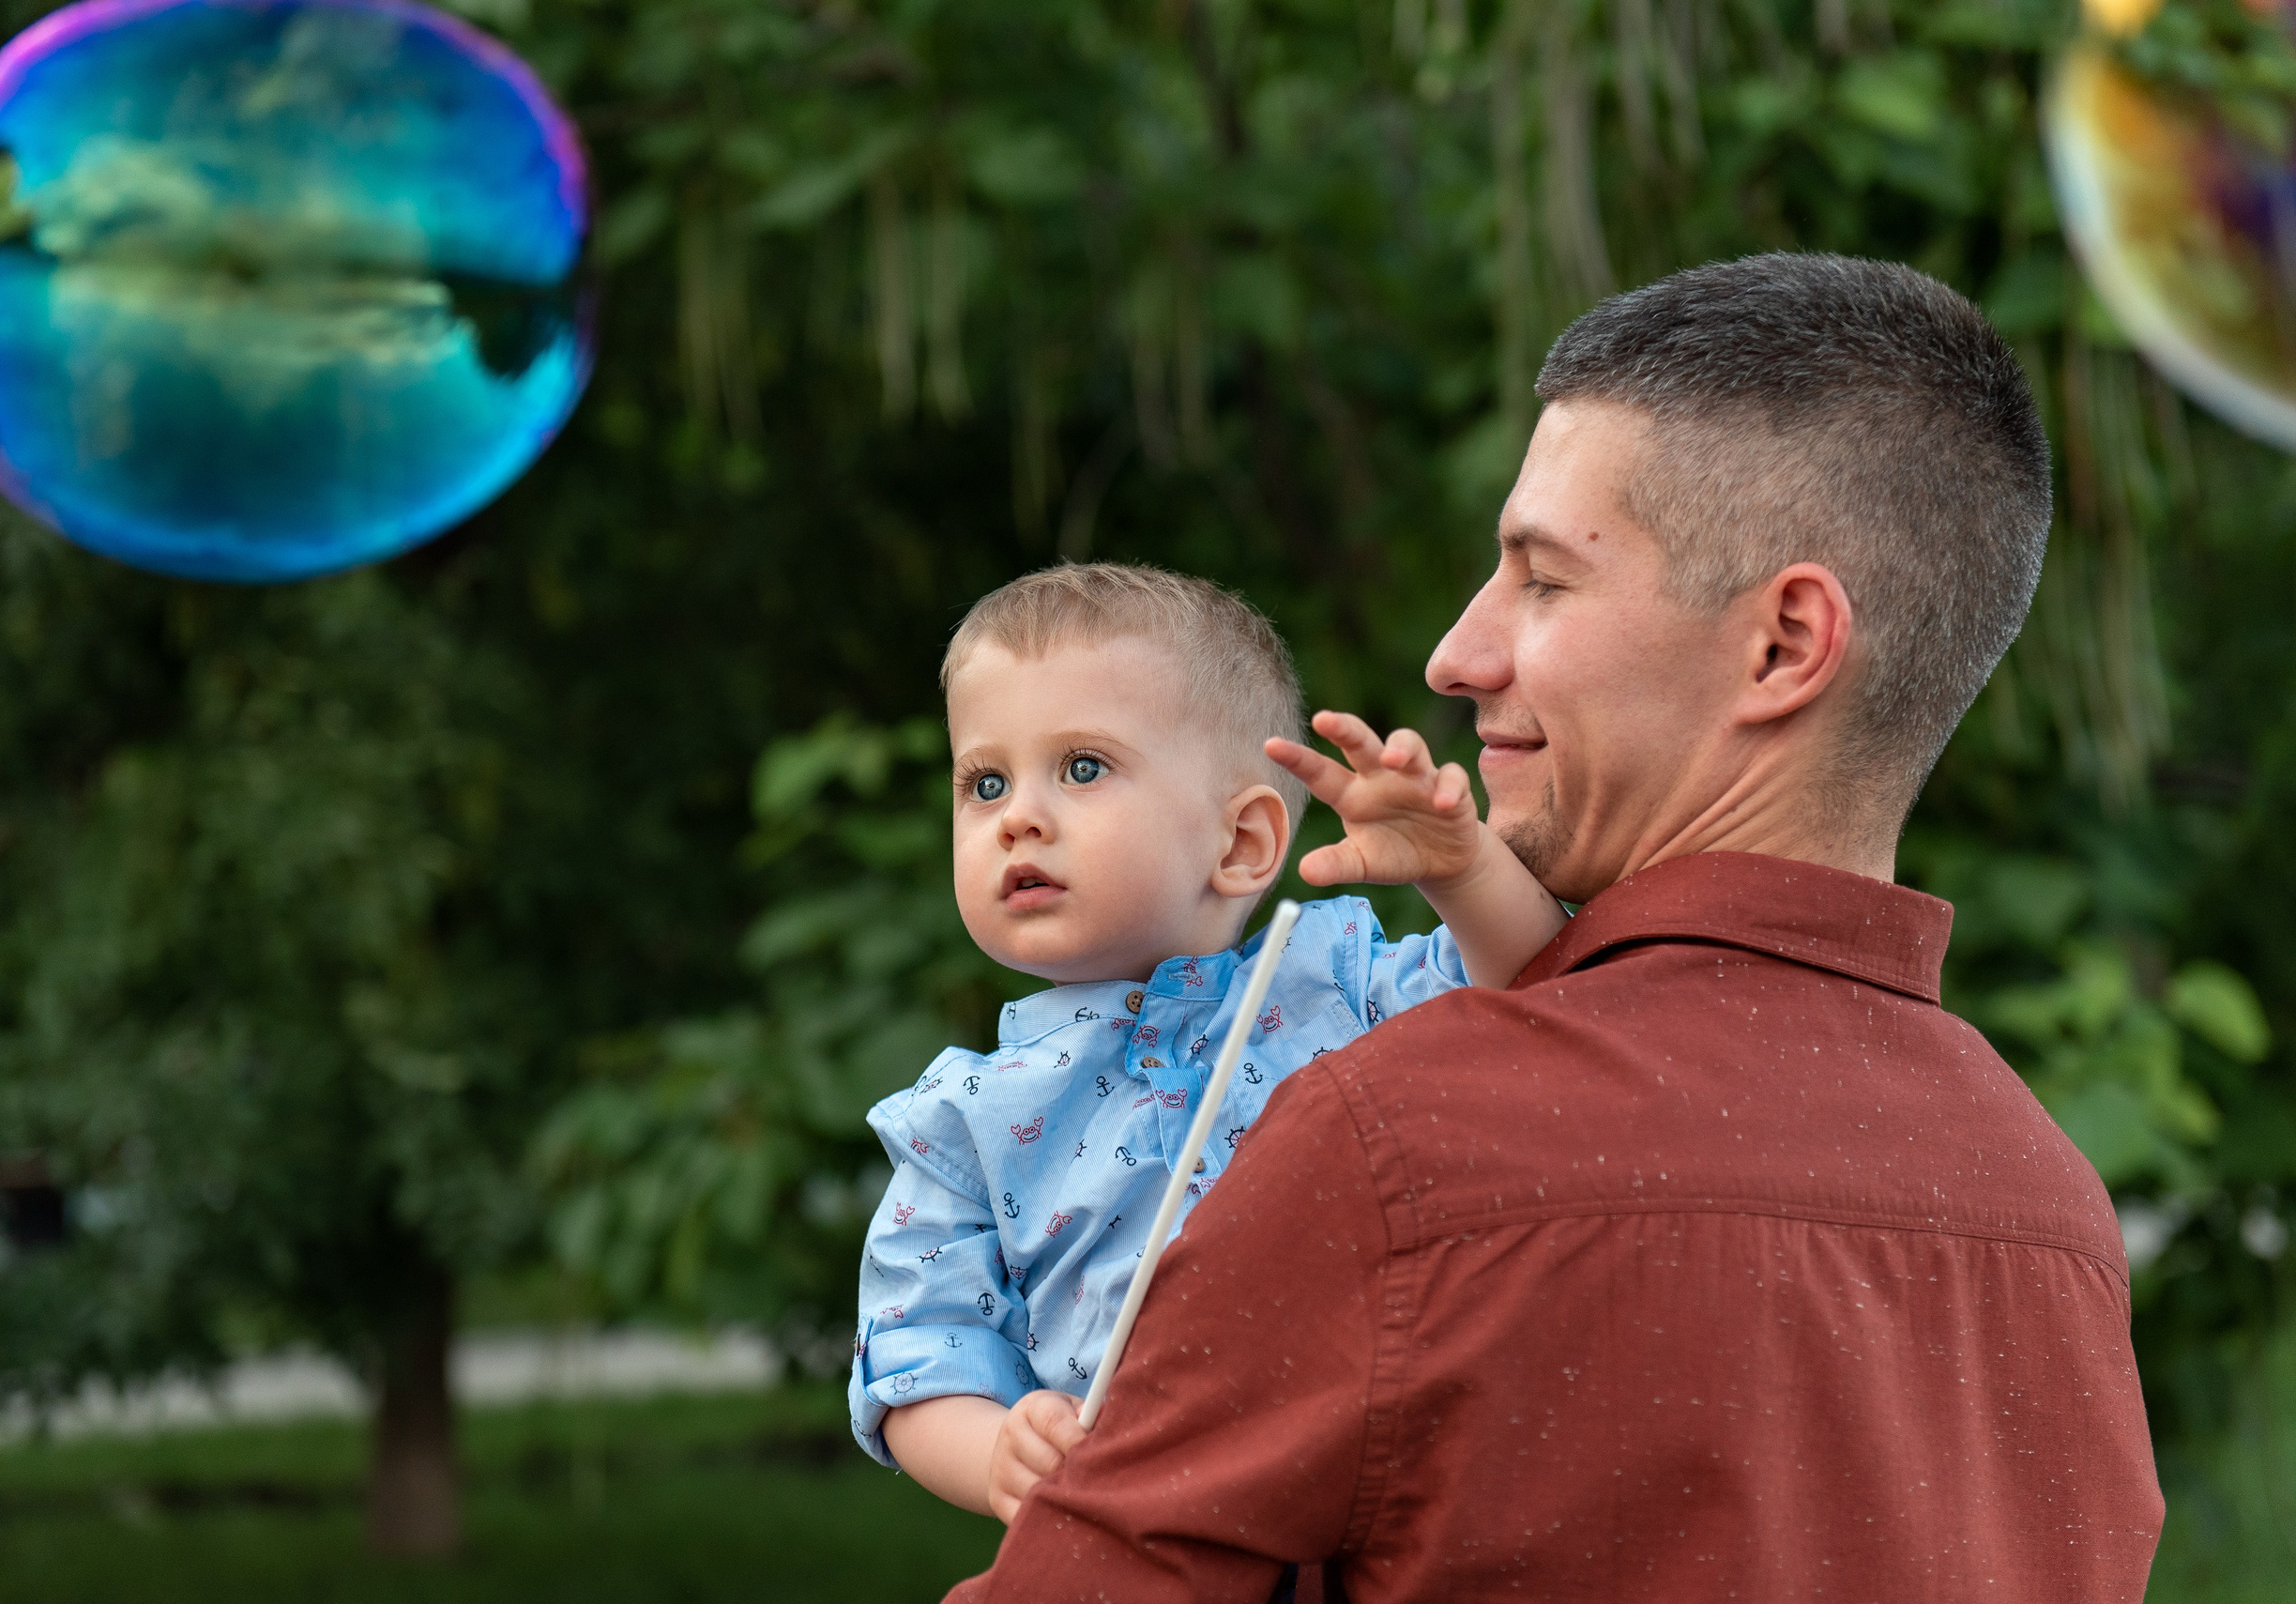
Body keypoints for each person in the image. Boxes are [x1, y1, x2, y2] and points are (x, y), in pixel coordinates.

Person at [943, 253, 2167, 1601]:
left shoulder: (1391, 1151)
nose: (1457, 657)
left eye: (1543, 581)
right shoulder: (2054, 1219)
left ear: (1782, 643)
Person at [847, 563, 1567, 1521]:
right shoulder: (962, 1124)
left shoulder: (1332, 980)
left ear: (1239, 845)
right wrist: (998, 1457)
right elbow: (912, 1351)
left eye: (1082, 766)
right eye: (984, 781)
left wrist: (1464, 870)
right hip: (1158, 1523)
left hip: (1397, 1493)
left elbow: (1539, 994)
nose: (1017, 813)